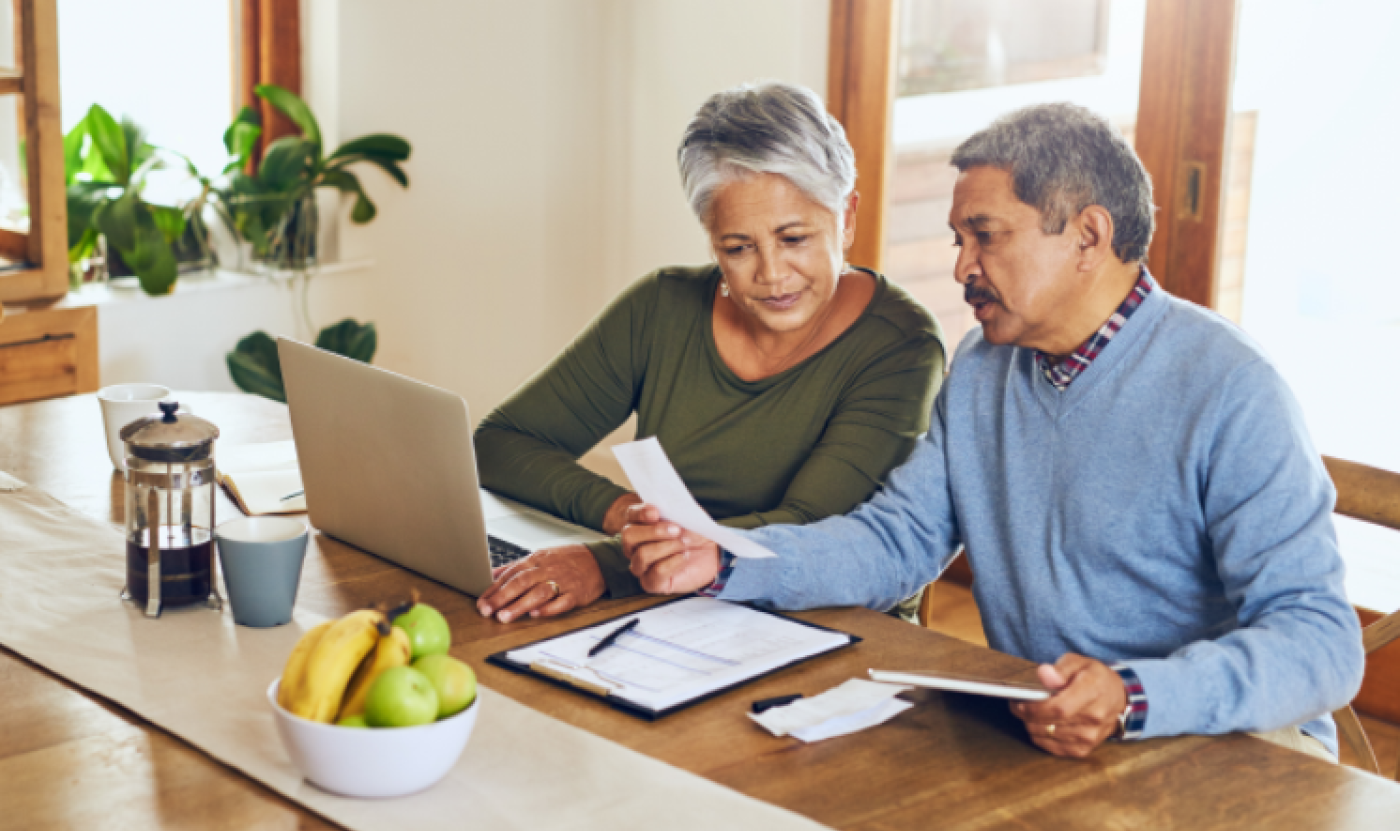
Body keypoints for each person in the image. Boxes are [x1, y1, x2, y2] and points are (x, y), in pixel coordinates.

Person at [621, 103, 1364, 761]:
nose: (961, 267)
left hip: (1232, 754)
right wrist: (724, 561)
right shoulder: (983, 367)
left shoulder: (1231, 388)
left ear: (1088, 235)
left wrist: (1133, 696)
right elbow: (897, 540)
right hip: (1051, 740)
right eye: (957, 240)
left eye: (985, 236)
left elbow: (1321, 646)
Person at [472, 82, 945, 624]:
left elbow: (812, 529)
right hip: (673, 611)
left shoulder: (900, 345)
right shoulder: (662, 306)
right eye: (738, 248)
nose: (771, 274)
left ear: (847, 217)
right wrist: (629, 517)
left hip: (825, 626)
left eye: (795, 239)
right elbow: (501, 444)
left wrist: (608, 565)